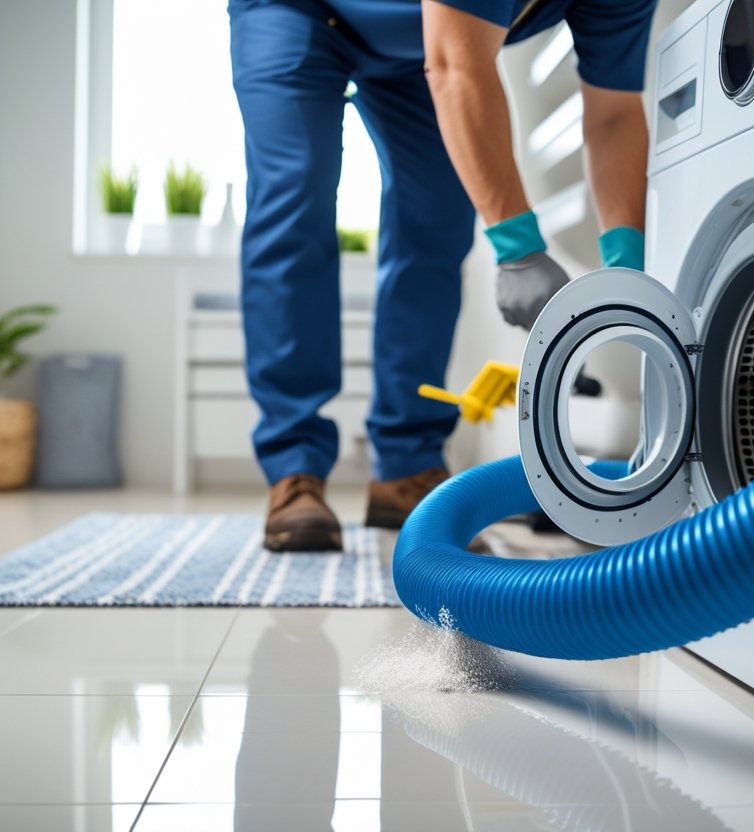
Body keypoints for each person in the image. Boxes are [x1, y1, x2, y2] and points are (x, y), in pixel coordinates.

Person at [229, 0, 655, 551]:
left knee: (434, 223)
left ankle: (406, 465)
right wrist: (519, 250)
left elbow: (615, 111)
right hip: (295, 12)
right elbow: (455, 66)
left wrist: (627, 266)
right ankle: (295, 468)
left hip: (417, 42)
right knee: (295, 201)